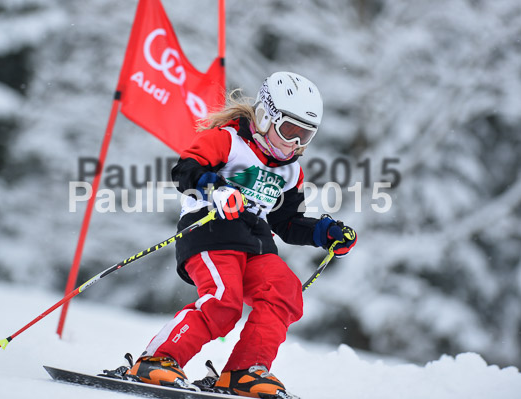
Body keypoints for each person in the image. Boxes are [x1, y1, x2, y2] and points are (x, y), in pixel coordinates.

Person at [123, 72, 357, 398]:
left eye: (305, 136)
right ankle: (157, 360)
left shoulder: (290, 170)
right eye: (289, 130)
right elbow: (185, 170)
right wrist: (215, 189)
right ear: (265, 116)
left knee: (285, 292)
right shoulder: (228, 140)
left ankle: (244, 372)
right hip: (210, 230)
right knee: (224, 302)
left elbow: (286, 221)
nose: (294, 144)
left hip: (256, 242)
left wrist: (324, 233)